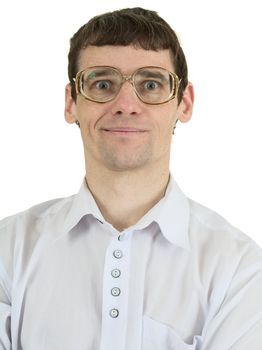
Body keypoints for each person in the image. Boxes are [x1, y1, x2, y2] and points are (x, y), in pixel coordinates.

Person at [0, 7, 262, 350]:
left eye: (150, 84)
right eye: (102, 83)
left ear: (184, 103)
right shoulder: (8, 249)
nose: (126, 104)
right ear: (71, 103)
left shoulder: (238, 268)